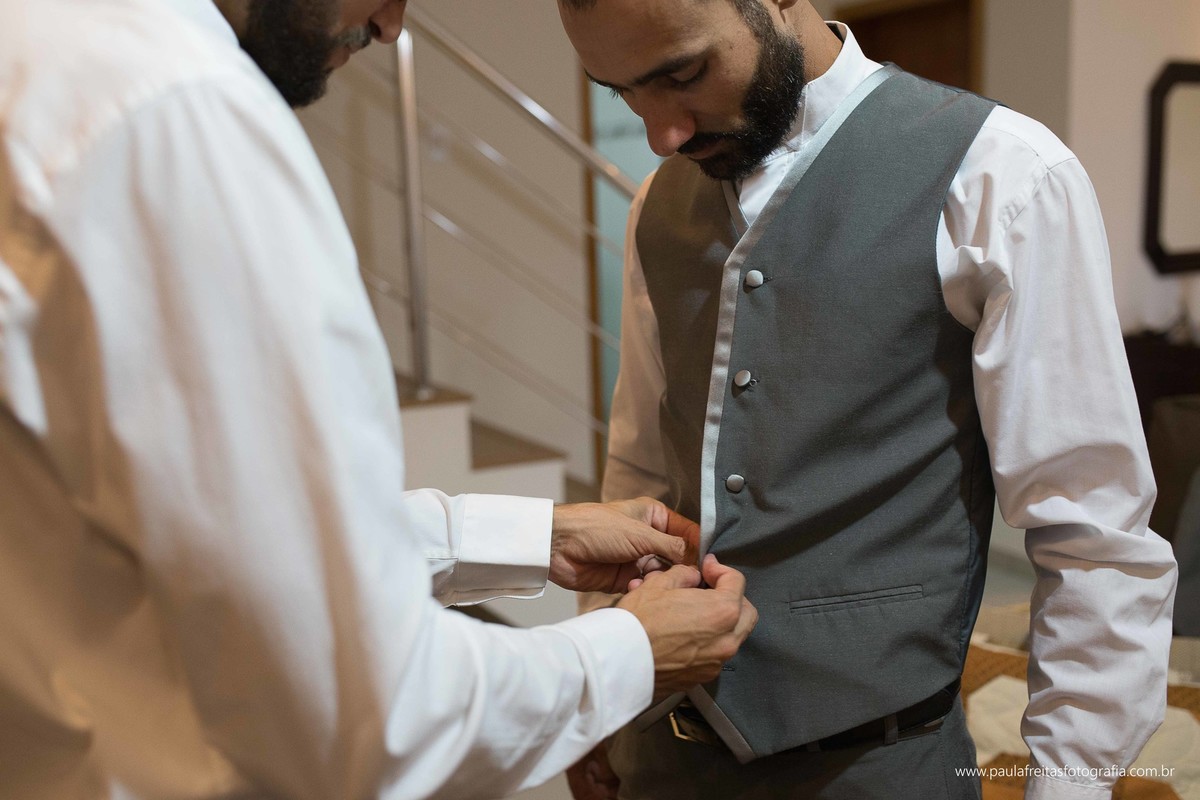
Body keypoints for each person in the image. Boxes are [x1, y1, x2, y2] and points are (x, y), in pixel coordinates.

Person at [0, 0, 760, 798]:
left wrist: (528, 535)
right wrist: (627, 655)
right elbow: (370, 713)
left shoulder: (45, 50)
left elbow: (213, 530)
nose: (393, 23)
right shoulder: (176, 112)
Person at [555, 0, 1179, 798]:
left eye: (683, 75)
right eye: (623, 93)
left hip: (881, 766)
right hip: (659, 755)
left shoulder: (1003, 174)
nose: (661, 135)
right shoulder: (655, 207)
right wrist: (595, 694)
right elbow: (641, 468)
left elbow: (1094, 536)